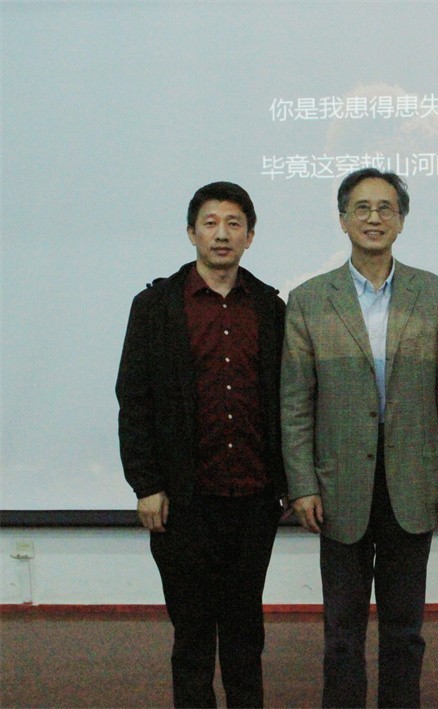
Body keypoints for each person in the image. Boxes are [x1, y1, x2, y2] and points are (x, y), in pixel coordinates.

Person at [280, 167, 438, 707]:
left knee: (405, 629)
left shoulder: (434, 293)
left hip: (414, 478)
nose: (374, 218)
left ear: (401, 221)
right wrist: (302, 484)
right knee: (342, 632)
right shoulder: (310, 298)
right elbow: (295, 403)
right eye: (361, 208)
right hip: (337, 483)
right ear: (343, 220)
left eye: (386, 208)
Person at [116, 181, 287, 707]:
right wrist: (146, 485)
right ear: (191, 232)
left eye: (234, 223)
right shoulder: (155, 306)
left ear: (250, 236)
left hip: (253, 496)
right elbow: (134, 399)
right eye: (210, 223)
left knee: (245, 632)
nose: (222, 234)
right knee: (191, 635)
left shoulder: (270, 306)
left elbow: (287, 400)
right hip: (182, 500)